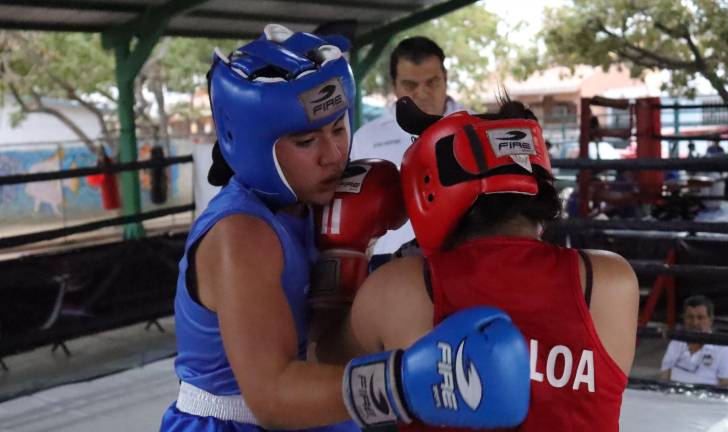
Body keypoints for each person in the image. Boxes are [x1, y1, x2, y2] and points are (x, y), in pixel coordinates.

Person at [160, 25, 531, 432]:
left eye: (338, 128)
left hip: (323, 413)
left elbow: (325, 346)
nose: (334, 154)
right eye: (306, 142)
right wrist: (406, 384)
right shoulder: (241, 234)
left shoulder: (313, 202)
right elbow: (272, 396)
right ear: (249, 143)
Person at [321, 96, 639, 431]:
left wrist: (345, 252)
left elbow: (324, 361)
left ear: (426, 191)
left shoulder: (401, 288)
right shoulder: (609, 281)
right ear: (540, 183)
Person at [350, 36, 468, 255]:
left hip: (462, 262)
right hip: (388, 267)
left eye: (432, 82)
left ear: (446, 79)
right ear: (394, 86)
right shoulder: (365, 139)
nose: (422, 93)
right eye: (410, 85)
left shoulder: (475, 128)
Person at [660, 295, 728, 387]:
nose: (695, 323)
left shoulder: (723, 348)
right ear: (684, 319)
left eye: (700, 317)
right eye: (690, 317)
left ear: (710, 320)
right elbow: (665, 375)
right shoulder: (676, 342)